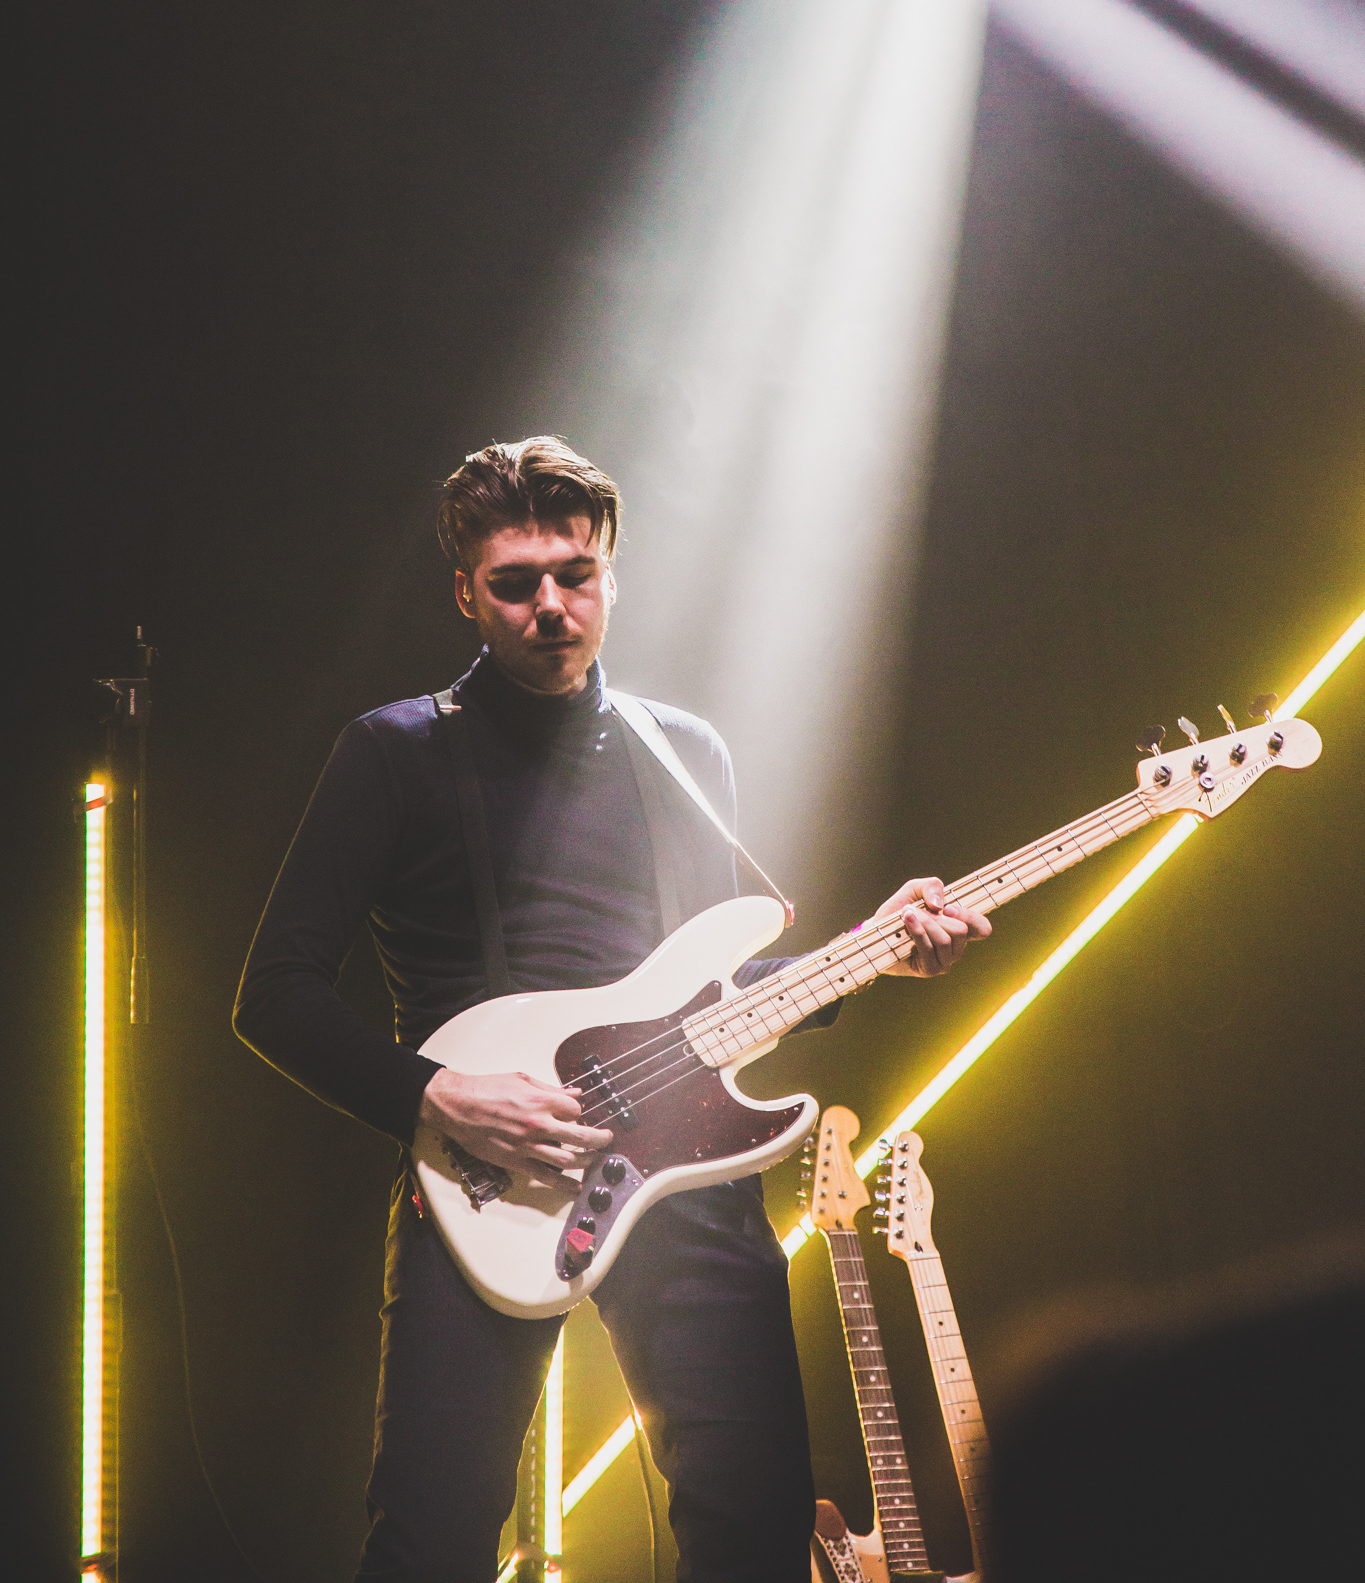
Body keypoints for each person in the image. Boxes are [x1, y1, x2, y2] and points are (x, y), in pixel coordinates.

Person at [234, 435, 990, 1583]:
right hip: (482, 1180)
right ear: (464, 591)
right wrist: (440, 1095)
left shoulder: (683, 751)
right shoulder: (392, 752)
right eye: (515, 582)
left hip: (685, 1172)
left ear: (610, 575)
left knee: (754, 1529)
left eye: (574, 574)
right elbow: (275, 993)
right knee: (427, 1539)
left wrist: (869, 954)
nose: (551, 604)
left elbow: (712, 1000)